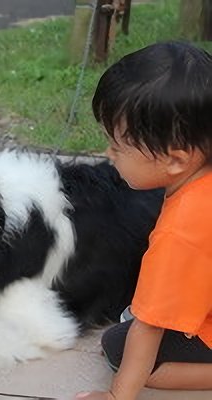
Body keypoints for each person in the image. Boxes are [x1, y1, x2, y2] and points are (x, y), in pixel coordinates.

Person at [75, 41, 212, 400]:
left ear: (177, 160)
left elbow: (149, 329)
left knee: (121, 344)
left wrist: (116, 396)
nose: (108, 154)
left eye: (118, 147)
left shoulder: (178, 233)